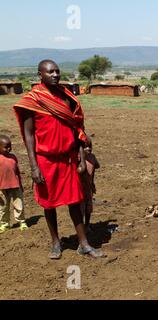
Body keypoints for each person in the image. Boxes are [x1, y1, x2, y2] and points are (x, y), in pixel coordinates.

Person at [13, 60, 104, 259]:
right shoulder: (33, 100)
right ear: (40, 75)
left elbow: (78, 129)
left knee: (74, 201)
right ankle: (56, 242)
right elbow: (29, 135)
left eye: (57, 71)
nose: (55, 75)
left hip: (68, 159)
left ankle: (84, 244)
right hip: (45, 159)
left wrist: (81, 158)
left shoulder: (67, 98)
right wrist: (34, 166)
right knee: (49, 204)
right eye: (50, 72)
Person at [0, 135, 28, 233]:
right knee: (3, 207)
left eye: (10, 146)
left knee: (19, 205)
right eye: (6, 147)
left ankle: (22, 222)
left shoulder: (13, 157)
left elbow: (17, 172)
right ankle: (5, 224)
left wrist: (20, 184)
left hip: (15, 186)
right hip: (2, 187)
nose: (9, 148)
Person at [79, 141, 100, 234]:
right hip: (80, 189)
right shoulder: (78, 159)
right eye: (85, 147)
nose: (88, 148)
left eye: (90, 146)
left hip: (89, 188)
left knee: (89, 208)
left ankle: (87, 225)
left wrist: (93, 183)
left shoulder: (92, 157)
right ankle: (81, 228)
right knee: (81, 210)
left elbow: (96, 166)